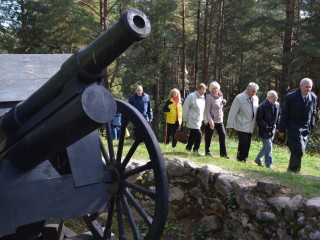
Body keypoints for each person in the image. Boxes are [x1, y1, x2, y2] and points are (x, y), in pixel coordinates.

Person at [278, 78, 318, 173]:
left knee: (300, 150)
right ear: (300, 86)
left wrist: (311, 125)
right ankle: (293, 171)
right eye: (306, 86)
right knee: (298, 149)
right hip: (293, 126)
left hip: (305, 128)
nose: (308, 89)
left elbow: (314, 112)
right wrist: (281, 129)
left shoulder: (313, 97)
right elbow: (284, 114)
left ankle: (292, 170)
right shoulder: (290, 97)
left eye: (310, 87)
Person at [226, 82, 259, 162]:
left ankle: (245, 159)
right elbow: (233, 111)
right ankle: (239, 158)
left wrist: (256, 122)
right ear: (248, 89)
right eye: (253, 91)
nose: (254, 93)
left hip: (250, 125)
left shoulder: (255, 98)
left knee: (248, 143)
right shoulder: (239, 98)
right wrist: (229, 125)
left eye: (255, 91)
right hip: (241, 124)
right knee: (243, 142)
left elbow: (256, 111)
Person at [255, 90, 280, 168]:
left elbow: (278, 116)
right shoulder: (262, 106)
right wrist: (266, 126)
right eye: (274, 98)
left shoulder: (277, 105)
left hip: (273, 129)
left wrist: (278, 127)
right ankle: (268, 164)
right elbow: (259, 119)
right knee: (269, 146)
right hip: (264, 129)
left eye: (277, 98)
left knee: (266, 146)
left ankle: (258, 159)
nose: (276, 100)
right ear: (269, 97)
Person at [204, 81, 228, 158]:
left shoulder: (220, 96)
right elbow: (207, 110)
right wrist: (210, 122)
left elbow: (219, 106)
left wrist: (224, 102)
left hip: (219, 120)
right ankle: (207, 152)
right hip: (211, 120)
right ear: (211, 89)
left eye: (216, 88)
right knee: (208, 136)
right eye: (213, 88)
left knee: (223, 135)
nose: (215, 90)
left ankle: (223, 154)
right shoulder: (209, 97)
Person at [182, 83, 207, 155]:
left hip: (198, 120)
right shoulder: (191, 96)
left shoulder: (203, 98)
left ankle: (188, 147)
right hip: (191, 119)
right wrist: (185, 118)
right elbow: (185, 107)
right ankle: (196, 149)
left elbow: (203, 110)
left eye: (205, 91)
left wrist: (204, 119)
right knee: (199, 134)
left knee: (193, 134)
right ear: (198, 89)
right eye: (202, 90)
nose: (204, 92)